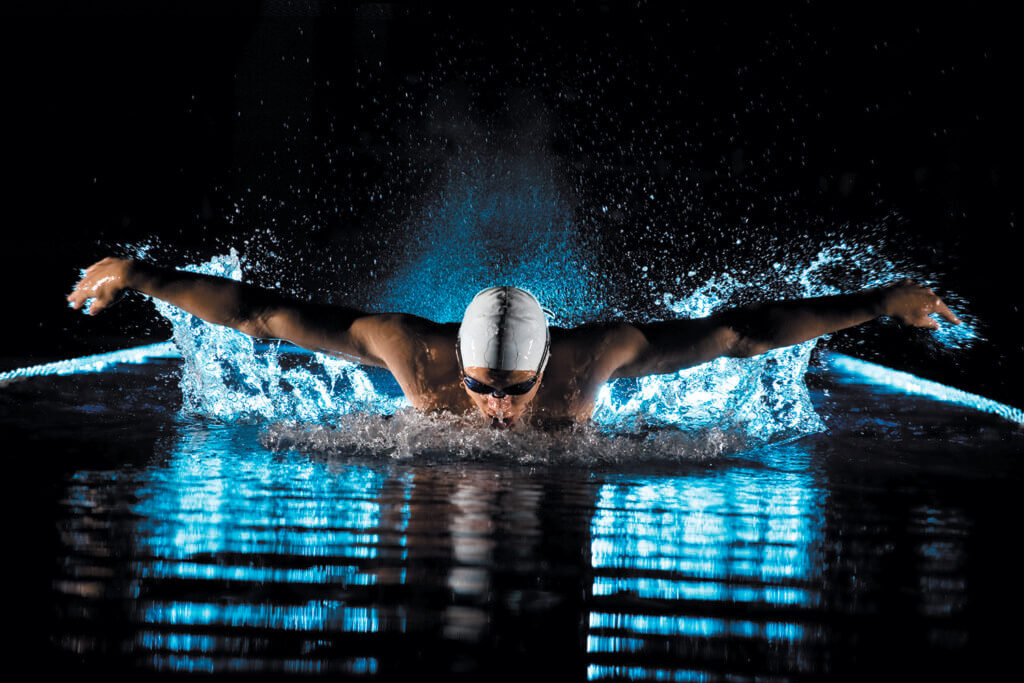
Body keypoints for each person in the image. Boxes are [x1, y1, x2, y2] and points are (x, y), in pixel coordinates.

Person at [68, 257, 961, 428]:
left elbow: (738, 334)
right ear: (455, 357)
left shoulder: (587, 365)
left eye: (512, 390)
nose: (493, 408)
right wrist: (141, 276)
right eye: (482, 385)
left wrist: (883, 300)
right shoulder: (410, 354)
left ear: (546, 364)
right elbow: (264, 314)